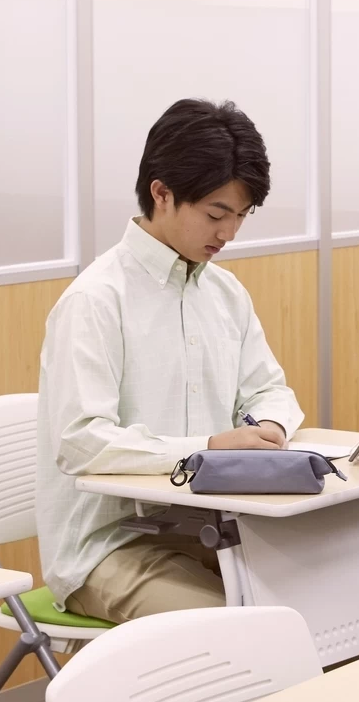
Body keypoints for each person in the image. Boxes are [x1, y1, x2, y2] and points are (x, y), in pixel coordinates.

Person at [36, 98, 302, 624]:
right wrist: (207, 448)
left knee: (332, 599)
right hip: (109, 549)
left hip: (212, 525)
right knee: (254, 628)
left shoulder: (225, 293)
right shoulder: (96, 300)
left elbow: (269, 390)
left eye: (240, 216)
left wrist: (268, 425)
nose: (228, 234)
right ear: (161, 193)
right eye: (216, 214)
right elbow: (81, 441)